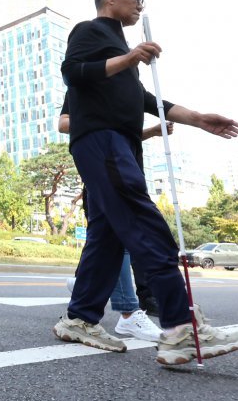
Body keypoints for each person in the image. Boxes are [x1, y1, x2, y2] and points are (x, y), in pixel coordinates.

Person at [56, 0, 238, 365]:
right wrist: (128, 58)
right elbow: (71, 71)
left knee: (109, 235)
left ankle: (80, 318)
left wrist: (196, 118)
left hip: (120, 144)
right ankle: (180, 327)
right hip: (103, 142)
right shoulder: (90, 30)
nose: (141, 5)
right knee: (144, 223)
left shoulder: (120, 50)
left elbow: (141, 97)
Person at [58, 101, 165, 339]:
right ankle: (128, 311)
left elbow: (122, 134)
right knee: (114, 240)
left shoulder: (129, 87)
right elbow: (64, 124)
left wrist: (153, 131)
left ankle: (85, 287)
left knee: (112, 242)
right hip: (103, 175)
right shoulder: (87, 79)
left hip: (130, 176)